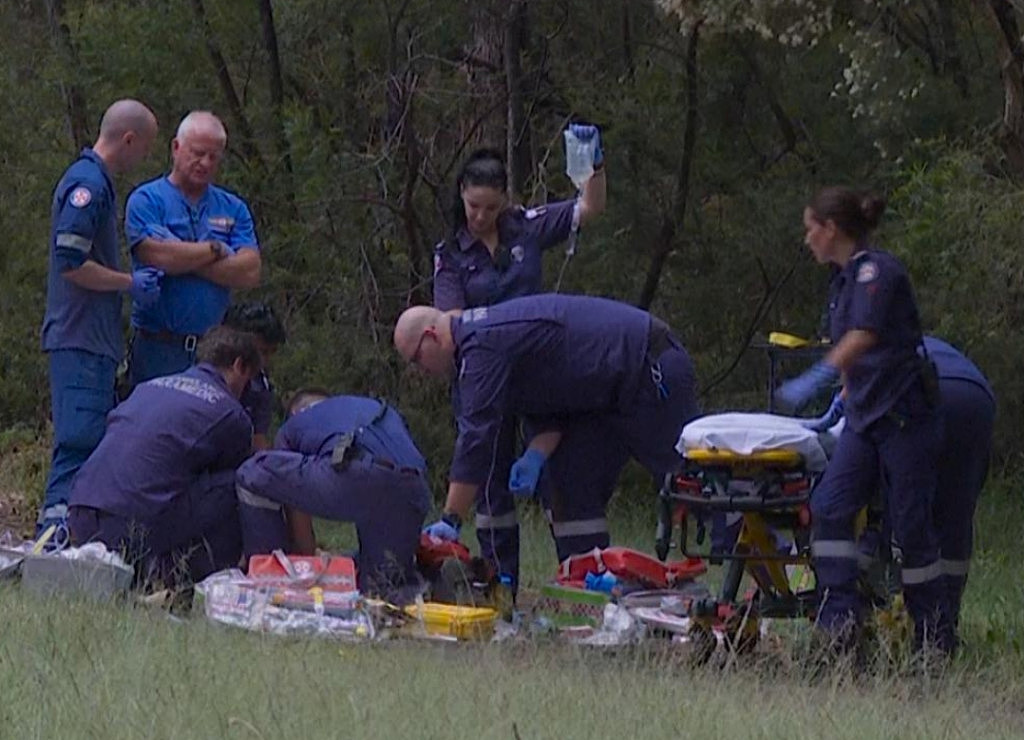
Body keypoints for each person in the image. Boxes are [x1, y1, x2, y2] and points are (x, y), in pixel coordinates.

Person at [774, 186, 952, 654]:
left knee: (911, 528)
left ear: (831, 229)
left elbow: (866, 335)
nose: (807, 238)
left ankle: (934, 641)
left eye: (811, 228)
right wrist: (838, 403)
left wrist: (818, 374)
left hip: (903, 418)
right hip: (865, 420)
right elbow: (862, 358)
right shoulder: (842, 283)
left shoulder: (878, 271)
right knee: (830, 508)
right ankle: (840, 626)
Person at [393, 294, 699, 563]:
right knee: (568, 480)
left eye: (417, 359)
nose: (422, 371)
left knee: (694, 486)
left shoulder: (481, 344)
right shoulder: (482, 344)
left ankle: (740, 587)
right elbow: (553, 403)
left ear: (432, 336)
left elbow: (476, 437)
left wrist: (451, 518)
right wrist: (535, 455)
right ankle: (587, 589)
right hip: (603, 398)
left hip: (648, 368)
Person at [431, 127, 607, 587]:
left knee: (558, 474)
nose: (481, 217)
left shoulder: (525, 226)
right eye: (473, 207)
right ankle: (499, 582)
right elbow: (451, 322)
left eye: (490, 208)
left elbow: (589, 208)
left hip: (538, 370)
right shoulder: (450, 254)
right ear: (462, 198)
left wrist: (592, 166)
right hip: (485, 375)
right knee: (490, 486)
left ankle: (581, 576)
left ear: (505, 201)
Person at [804, 335, 996, 639]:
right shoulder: (918, 343)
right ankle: (940, 632)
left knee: (903, 515)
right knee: (954, 518)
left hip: (916, 394)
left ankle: (842, 624)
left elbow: (845, 426)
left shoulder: (869, 355)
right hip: (975, 398)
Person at [38, 99, 162, 545]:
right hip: (79, 338)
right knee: (77, 442)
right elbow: (70, 260)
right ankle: (52, 542)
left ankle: (70, 541)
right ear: (128, 140)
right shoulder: (87, 184)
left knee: (88, 444)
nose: (142, 159)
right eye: (144, 149)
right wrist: (129, 283)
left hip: (94, 341)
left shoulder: (99, 184)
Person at [68, 327, 259, 587]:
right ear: (239, 366)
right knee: (246, 479)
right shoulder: (230, 413)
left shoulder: (147, 387)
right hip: (132, 526)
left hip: (81, 514)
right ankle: (192, 578)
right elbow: (238, 476)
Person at [234, 390, 431, 601]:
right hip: (415, 489)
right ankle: (437, 585)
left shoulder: (294, 426)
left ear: (296, 411)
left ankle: (268, 580)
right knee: (379, 588)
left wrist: (305, 561)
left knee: (254, 472)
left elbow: (301, 531)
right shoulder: (376, 409)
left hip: (358, 474)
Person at [125, 110, 261, 387]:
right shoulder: (147, 200)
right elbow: (155, 255)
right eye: (198, 153)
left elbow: (249, 272)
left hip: (212, 352)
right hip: (158, 347)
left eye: (213, 157)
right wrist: (215, 249)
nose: (205, 163)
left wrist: (180, 255)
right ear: (176, 148)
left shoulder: (233, 207)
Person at [222, 301, 287, 450]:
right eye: (261, 352)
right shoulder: (203, 376)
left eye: (271, 353)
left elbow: (258, 439)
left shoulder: (260, 386)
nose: (264, 361)